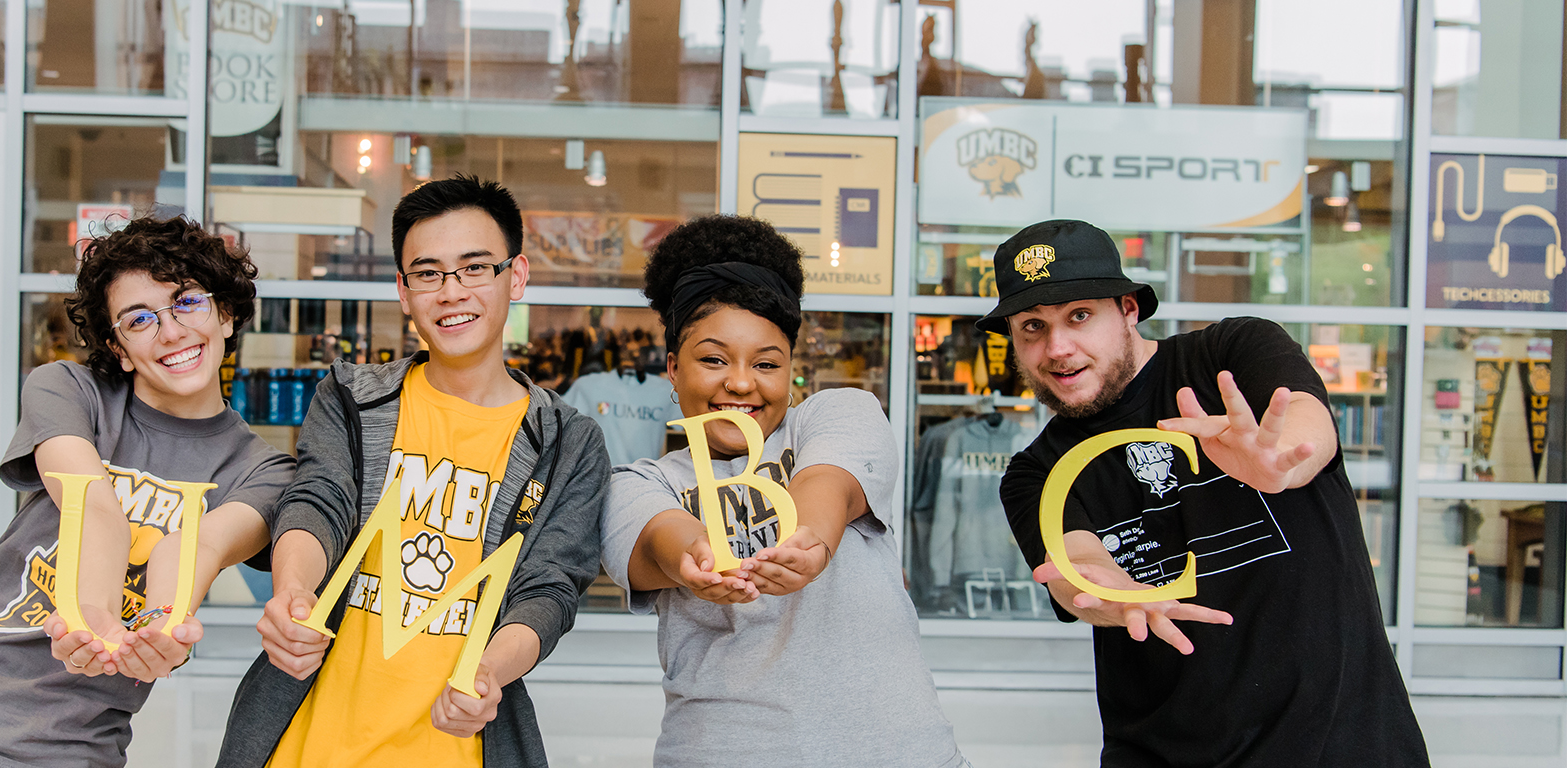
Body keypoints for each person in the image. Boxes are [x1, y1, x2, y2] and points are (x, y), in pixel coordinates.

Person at [0, 214, 297, 768]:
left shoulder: (264, 470)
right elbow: (91, 505)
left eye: (187, 302)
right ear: (118, 347)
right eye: (138, 320)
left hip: (69, 749)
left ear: (226, 314)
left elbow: (193, 547)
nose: (170, 331)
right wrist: (91, 617)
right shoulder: (69, 391)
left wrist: (162, 629)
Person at [986, 219, 1428, 766]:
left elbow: (1309, 429)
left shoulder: (1230, 353)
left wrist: (1278, 464)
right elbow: (1076, 566)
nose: (1057, 347)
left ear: (1127, 309)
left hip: (1342, 744)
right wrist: (1113, 596)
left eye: (1080, 315)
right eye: (1032, 326)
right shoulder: (1035, 472)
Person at [215, 175, 610, 768]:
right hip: (306, 744)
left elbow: (549, 586)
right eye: (427, 273)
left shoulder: (566, 442)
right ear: (403, 290)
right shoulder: (350, 396)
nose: (451, 292)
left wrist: (488, 672)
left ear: (516, 276)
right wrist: (293, 593)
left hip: (457, 749)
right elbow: (318, 500)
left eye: (475, 268)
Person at [599, 215, 971, 767]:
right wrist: (694, 560)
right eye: (713, 359)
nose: (742, 382)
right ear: (673, 370)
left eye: (766, 364)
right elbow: (657, 540)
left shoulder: (840, 414)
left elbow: (829, 484)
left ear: (792, 370)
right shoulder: (641, 482)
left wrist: (810, 542)